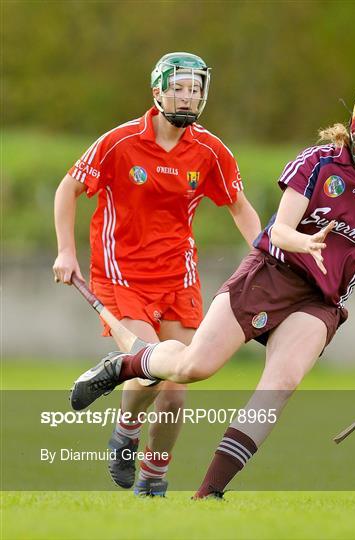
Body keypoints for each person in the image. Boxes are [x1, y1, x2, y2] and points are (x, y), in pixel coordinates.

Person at [70, 89, 355, 498]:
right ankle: (124, 365)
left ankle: (208, 494)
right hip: (271, 272)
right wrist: (302, 243)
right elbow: (280, 229)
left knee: (280, 384)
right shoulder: (318, 163)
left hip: (320, 301)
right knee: (194, 367)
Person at [53, 52, 261, 497]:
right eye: (180, 87)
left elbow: (239, 207)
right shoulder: (119, 142)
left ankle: (153, 479)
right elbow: (68, 188)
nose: (188, 97)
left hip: (177, 278)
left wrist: (267, 256)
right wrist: (66, 251)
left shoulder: (209, 150)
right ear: (158, 91)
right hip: (119, 274)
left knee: (178, 384)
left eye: (196, 89)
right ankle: (126, 431)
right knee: (149, 370)